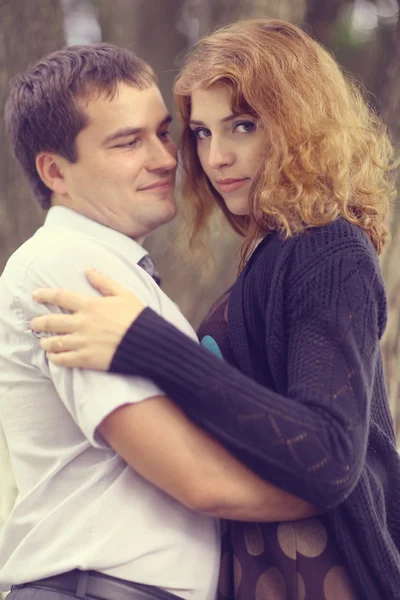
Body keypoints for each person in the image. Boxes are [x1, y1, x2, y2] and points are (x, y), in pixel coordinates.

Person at [32, 19, 400, 600]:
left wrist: (147, 344)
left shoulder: (327, 248)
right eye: (202, 133)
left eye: (243, 126)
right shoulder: (270, 253)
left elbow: (329, 455)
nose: (216, 157)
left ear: (298, 124)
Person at [0, 42, 318, 600]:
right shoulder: (68, 266)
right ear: (55, 171)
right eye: (128, 142)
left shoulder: (122, 272)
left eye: (164, 132)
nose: (166, 159)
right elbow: (200, 478)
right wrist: (339, 487)